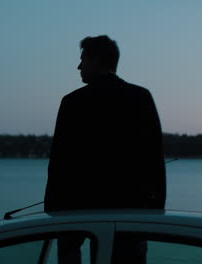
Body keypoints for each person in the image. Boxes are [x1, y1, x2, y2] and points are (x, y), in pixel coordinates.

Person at [44, 35, 166, 263]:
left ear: (97, 60)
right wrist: (155, 213)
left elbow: (59, 163)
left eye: (83, 60)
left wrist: (51, 211)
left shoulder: (72, 102)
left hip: (74, 210)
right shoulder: (140, 97)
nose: (79, 66)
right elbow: (155, 162)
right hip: (130, 211)